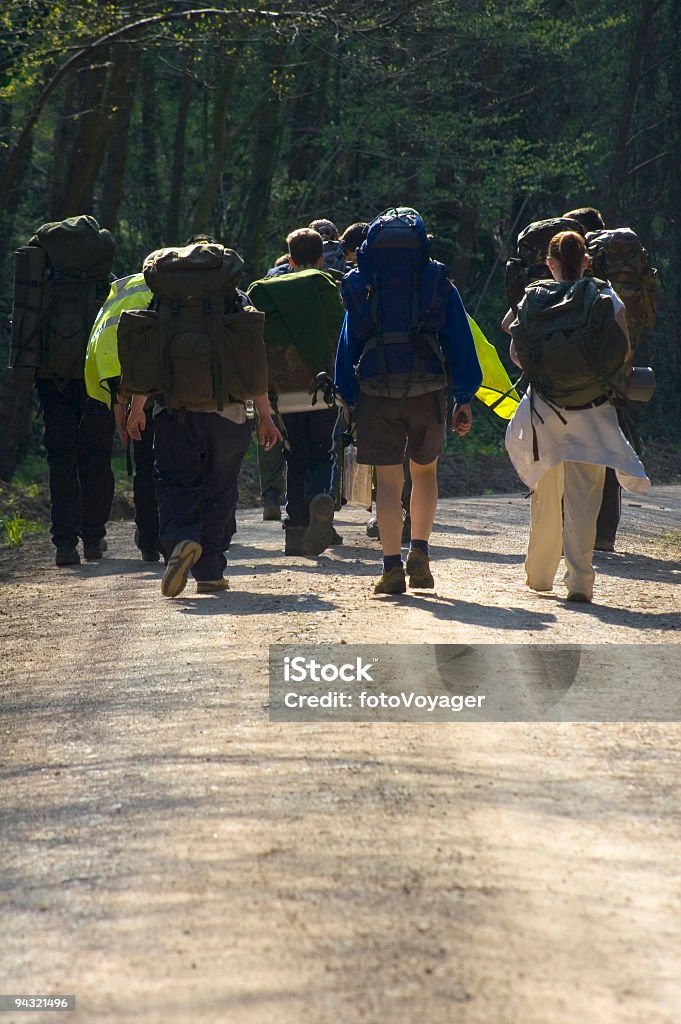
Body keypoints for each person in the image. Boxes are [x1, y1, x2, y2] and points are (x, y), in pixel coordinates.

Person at [335, 207, 483, 595]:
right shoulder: (437, 282)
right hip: (428, 390)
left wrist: (347, 399)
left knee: (387, 482)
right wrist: (463, 397)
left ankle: (390, 569)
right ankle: (419, 550)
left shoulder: (363, 283)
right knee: (424, 473)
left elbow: (347, 345)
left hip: (375, 391)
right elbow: (460, 342)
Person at [123, 241, 280, 597]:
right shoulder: (236, 301)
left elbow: (146, 359)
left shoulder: (163, 303)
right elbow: (254, 362)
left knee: (176, 484)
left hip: (174, 413)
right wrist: (266, 416)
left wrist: (135, 409)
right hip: (229, 414)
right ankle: (209, 571)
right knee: (220, 489)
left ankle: (181, 540)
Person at [505, 231, 649, 603]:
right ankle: (581, 582)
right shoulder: (604, 295)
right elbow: (623, 349)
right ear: (586, 261)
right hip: (593, 409)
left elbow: (516, 352)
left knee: (545, 491)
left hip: (546, 409)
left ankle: (539, 576)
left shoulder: (533, 296)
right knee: (585, 496)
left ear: (550, 263)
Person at [563, 206, 657, 553]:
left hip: (571, 376)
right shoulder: (624, 265)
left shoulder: (573, 265)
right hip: (617, 374)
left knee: (566, 450)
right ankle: (604, 536)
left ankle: (567, 533)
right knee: (608, 450)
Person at [248, 228, 345, 556]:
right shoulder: (327, 286)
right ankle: (320, 498)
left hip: (281, 394)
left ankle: (295, 529)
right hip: (323, 389)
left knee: (295, 455)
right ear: (321, 258)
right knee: (322, 452)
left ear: (289, 259)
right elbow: (340, 337)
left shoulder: (265, 291)